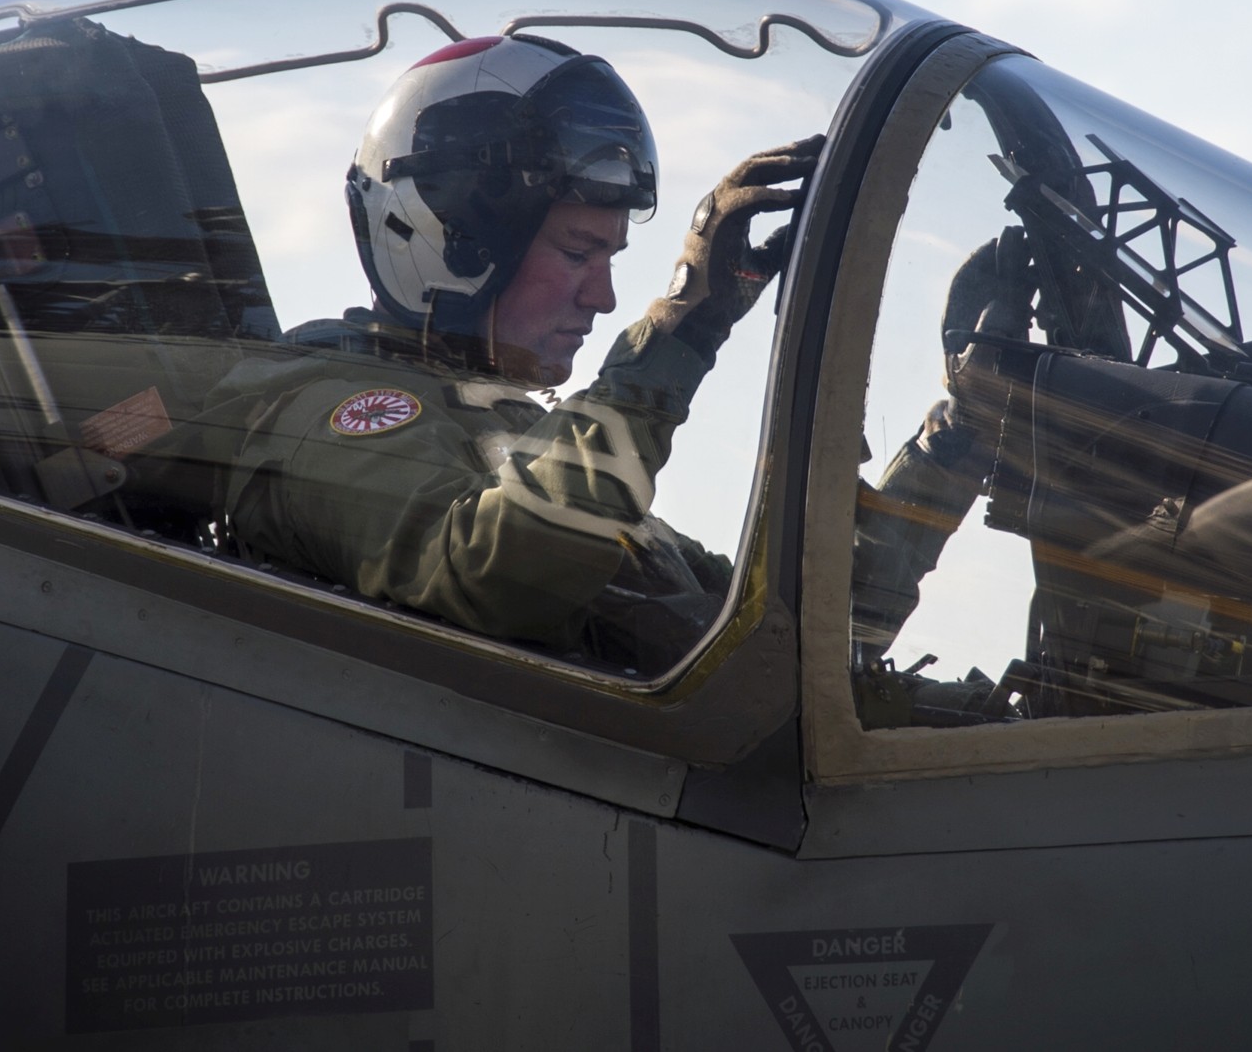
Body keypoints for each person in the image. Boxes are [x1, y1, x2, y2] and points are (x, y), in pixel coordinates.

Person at [212, 34, 821, 669]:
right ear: (454, 244)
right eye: (577, 253)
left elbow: (772, 636)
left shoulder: (519, 436)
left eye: (610, 258)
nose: (605, 298)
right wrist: (676, 334)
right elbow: (492, 577)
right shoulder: (324, 414)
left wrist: (933, 458)